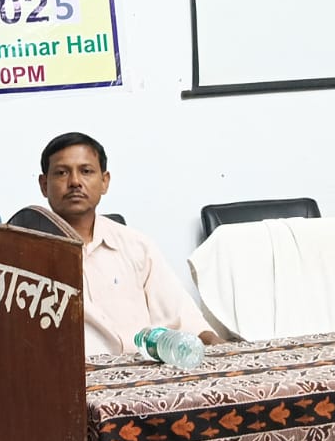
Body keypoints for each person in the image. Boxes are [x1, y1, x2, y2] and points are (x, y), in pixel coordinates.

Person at [37, 131, 217, 355]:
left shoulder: (136, 246)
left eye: (86, 171)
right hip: (73, 372)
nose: (75, 182)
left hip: (142, 368)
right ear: (44, 185)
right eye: (62, 173)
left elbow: (183, 317)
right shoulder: (24, 254)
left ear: (104, 182)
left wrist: (217, 344)